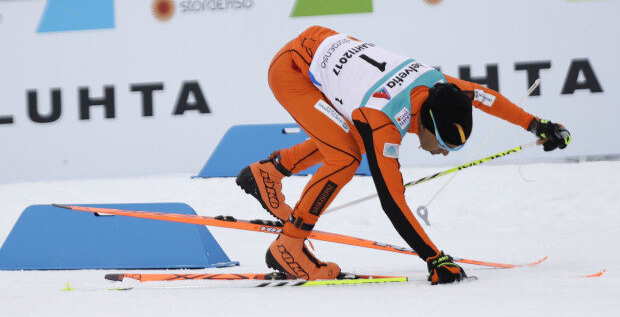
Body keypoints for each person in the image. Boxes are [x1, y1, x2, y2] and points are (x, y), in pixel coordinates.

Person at [236, 26, 571, 284]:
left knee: (347, 140)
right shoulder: (383, 122)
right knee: (346, 158)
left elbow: (483, 97)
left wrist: (536, 124)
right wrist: (434, 259)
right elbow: (392, 201)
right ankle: (288, 248)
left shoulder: (438, 86)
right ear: (424, 124)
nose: (441, 154)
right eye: (443, 145)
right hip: (292, 70)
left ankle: (270, 172)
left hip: (320, 45)